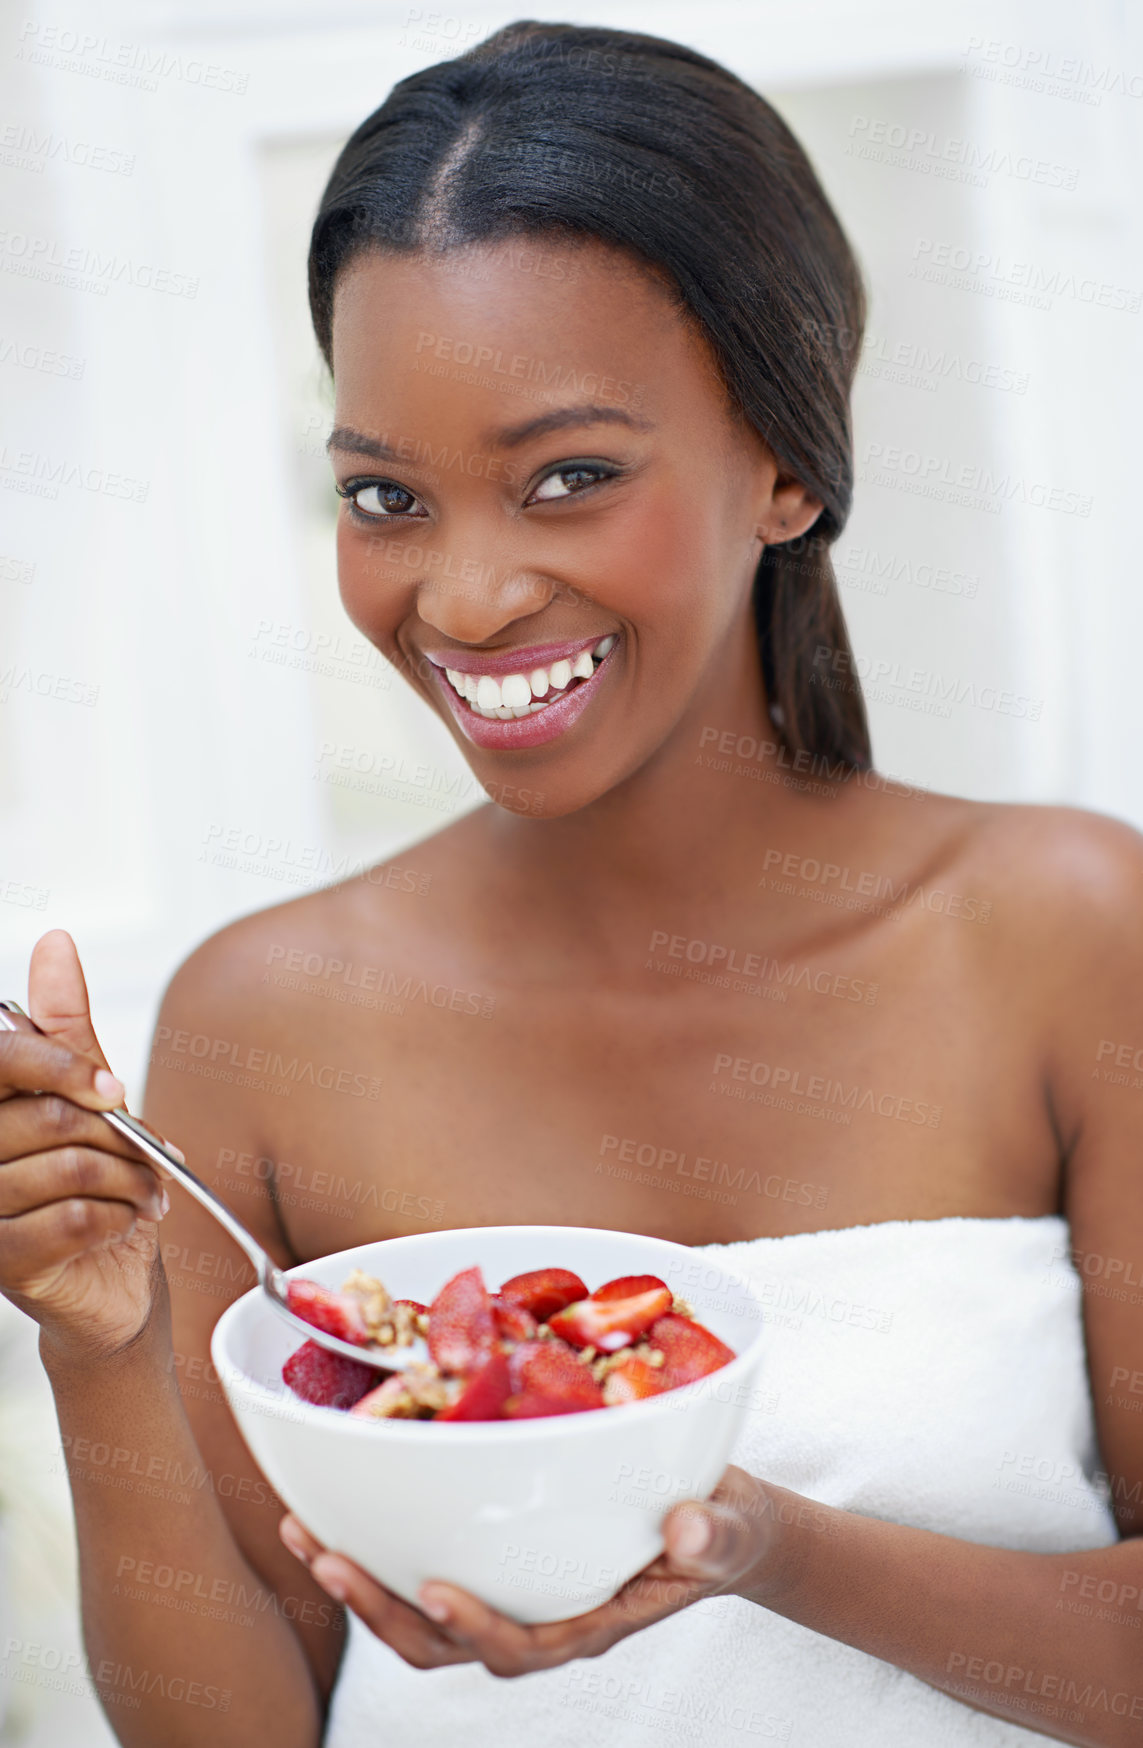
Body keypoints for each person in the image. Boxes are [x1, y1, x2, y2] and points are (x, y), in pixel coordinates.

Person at [1, 20, 1140, 1747]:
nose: (461, 601)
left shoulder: (1066, 933)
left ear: (785, 465)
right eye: (386, 494)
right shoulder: (268, 1017)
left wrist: (752, 1544)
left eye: (569, 479)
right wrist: (96, 1345)